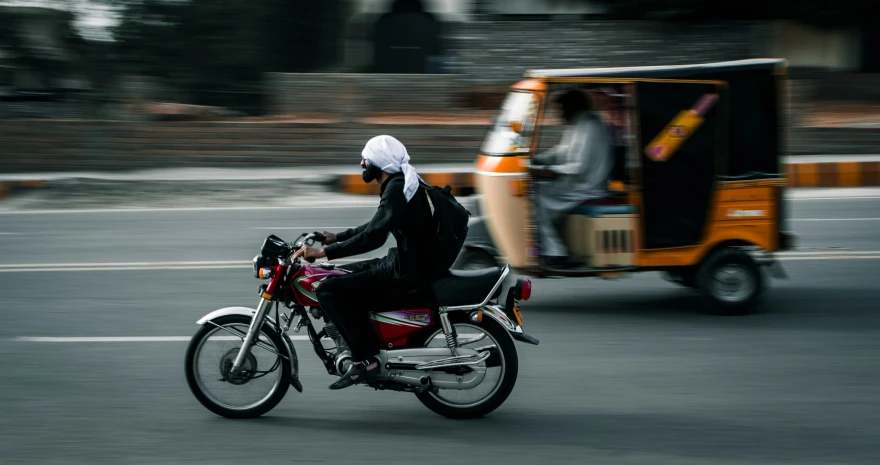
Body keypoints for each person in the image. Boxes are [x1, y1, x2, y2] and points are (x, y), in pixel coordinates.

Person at [293, 135, 438, 390]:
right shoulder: (399, 184)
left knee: (327, 290)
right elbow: (375, 224)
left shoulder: (396, 188)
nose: (362, 163)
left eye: (365, 159)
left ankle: (365, 360)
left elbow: (373, 238)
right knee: (337, 274)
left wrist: (322, 253)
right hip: (406, 262)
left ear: (379, 163)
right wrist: (337, 238)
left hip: (406, 271)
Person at [529, 89, 613, 268]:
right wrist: (536, 160)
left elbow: (578, 166)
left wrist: (546, 172)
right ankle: (553, 245)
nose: (560, 114)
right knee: (537, 189)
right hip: (576, 184)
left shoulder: (591, 126)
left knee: (533, 195)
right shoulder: (578, 124)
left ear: (574, 106)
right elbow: (561, 151)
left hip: (587, 187)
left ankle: (555, 251)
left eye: (562, 109)